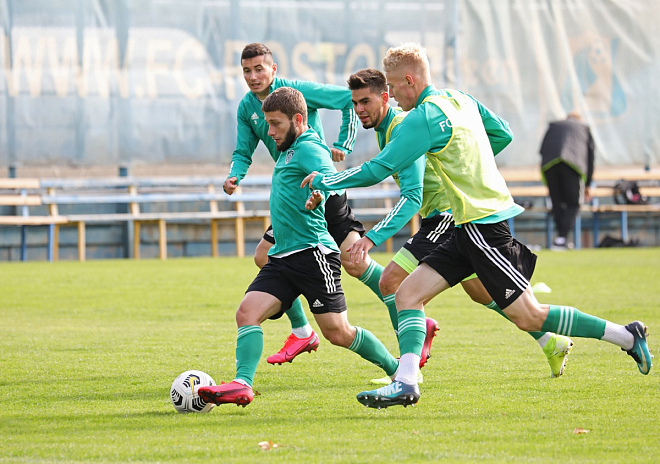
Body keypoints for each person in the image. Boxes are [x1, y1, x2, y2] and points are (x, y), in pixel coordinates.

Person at [302, 44, 652, 409]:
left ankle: (626, 336)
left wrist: (325, 180)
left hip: (483, 226)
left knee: (529, 315)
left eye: (392, 85)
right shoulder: (460, 99)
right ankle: (406, 382)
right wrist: (470, 164)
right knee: (407, 295)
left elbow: (379, 168)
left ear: (409, 80)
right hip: (463, 226)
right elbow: (502, 134)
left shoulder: (421, 117)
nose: (390, 94)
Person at [342, 69, 572, 383]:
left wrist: (371, 237)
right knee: (482, 292)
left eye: (365, 101)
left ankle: (407, 369)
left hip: (445, 217)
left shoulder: (403, 126)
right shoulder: (386, 129)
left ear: (386, 97)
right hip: (444, 217)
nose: (359, 109)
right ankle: (549, 340)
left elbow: (412, 197)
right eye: (354, 103)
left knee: (391, 282)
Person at [198, 87, 399, 407]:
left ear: (298, 120)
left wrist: (320, 192)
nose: (270, 131)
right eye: (267, 123)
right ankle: (242, 384)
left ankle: (397, 370)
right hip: (282, 257)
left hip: (313, 254)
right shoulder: (288, 148)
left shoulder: (309, 147)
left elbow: (330, 177)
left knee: (338, 332)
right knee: (247, 313)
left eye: (276, 123)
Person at [225, 43, 390, 365]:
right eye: (246, 71)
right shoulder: (247, 106)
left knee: (355, 263)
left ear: (273, 69)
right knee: (264, 256)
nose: (253, 76)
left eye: (259, 69)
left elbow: (346, 100)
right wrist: (235, 175)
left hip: (322, 187)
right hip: (296, 189)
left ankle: (408, 309)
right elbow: (243, 150)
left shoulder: (296, 95)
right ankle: (301, 331)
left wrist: (343, 144)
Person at [539, 112, 595, 249]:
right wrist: (588, 184)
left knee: (557, 202)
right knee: (573, 203)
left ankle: (560, 239)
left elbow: (541, 150)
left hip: (550, 166)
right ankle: (562, 238)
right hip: (572, 166)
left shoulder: (553, 126)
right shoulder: (584, 128)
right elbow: (590, 157)